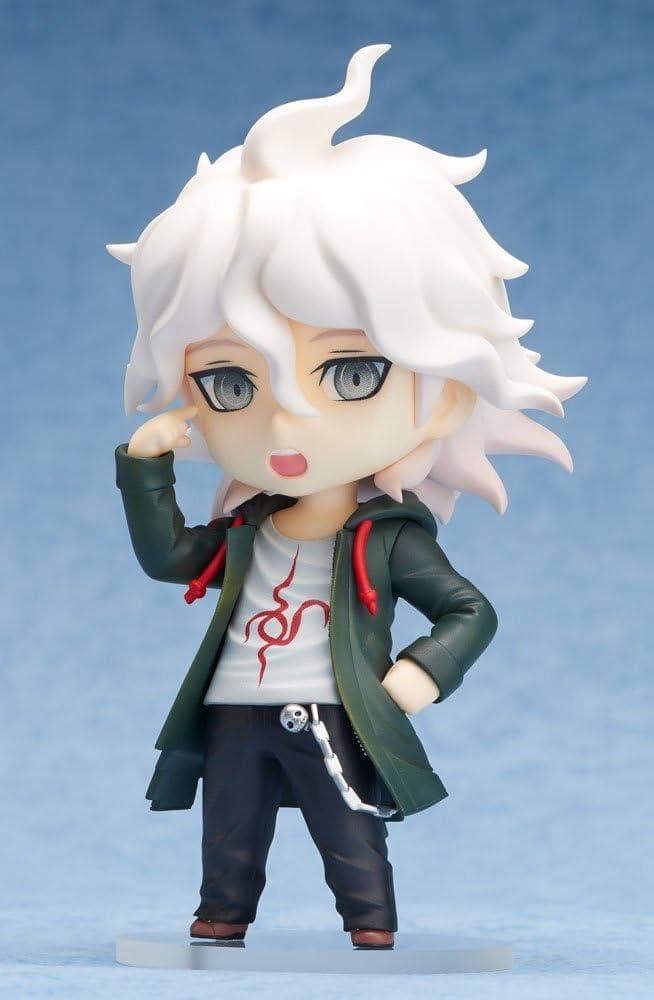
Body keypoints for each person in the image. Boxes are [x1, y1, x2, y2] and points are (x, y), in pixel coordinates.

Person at [110, 44, 587, 949]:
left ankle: (370, 927)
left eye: (352, 373)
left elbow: (469, 610)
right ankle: (222, 916)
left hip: (332, 707)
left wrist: (419, 673)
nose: (288, 423)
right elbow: (169, 557)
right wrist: (146, 467)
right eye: (231, 384)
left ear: (443, 394)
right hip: (234, 706)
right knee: (229, 828)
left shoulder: (390, 538)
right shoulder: (245, 528)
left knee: (349, 827)